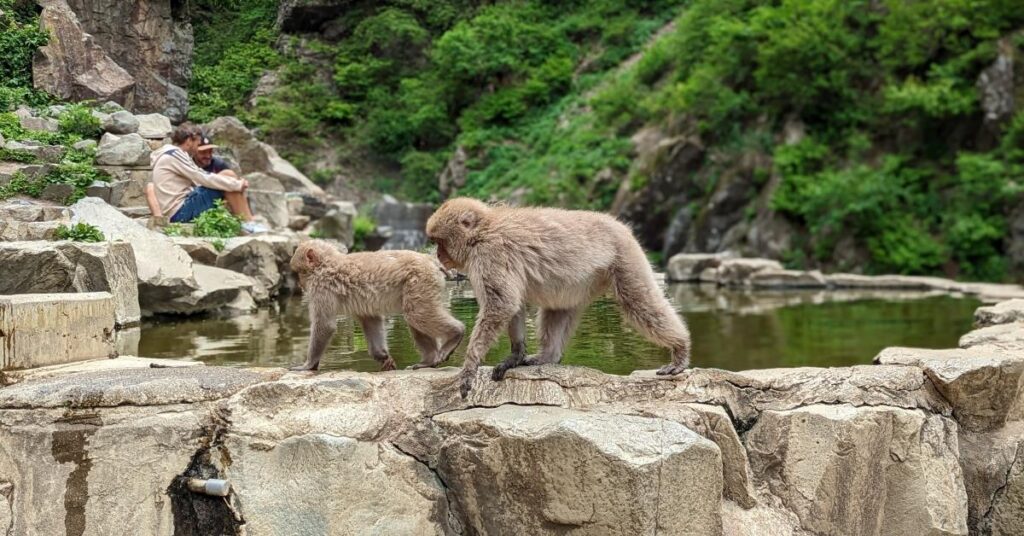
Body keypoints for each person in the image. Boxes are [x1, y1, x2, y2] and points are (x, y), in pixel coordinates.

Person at [146, 124, 266, 233]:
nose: (198, 147)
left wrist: (231, 182)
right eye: (197, 144)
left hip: (179, 209)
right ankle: (248, 224)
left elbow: (197, 180)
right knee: (228, 182)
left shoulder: (171, 154)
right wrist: (236, 184)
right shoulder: (174, 155)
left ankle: (246, 221)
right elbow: (201, 177)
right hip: (179, 213)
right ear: (189, 140)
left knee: (228, 178)